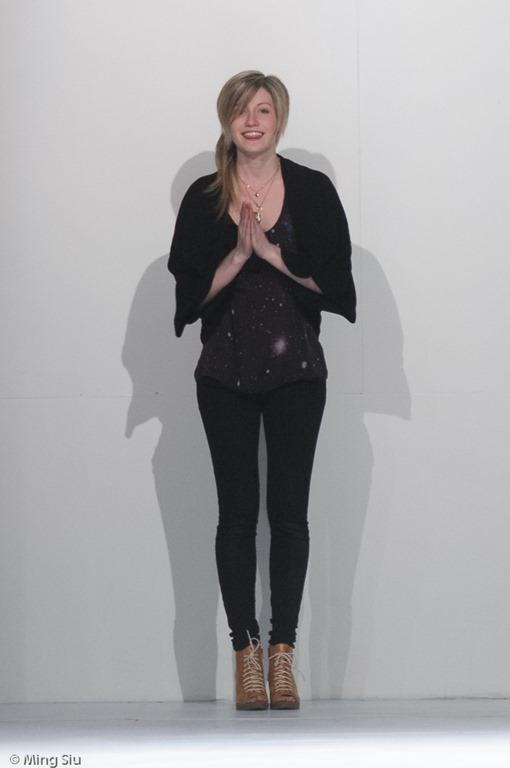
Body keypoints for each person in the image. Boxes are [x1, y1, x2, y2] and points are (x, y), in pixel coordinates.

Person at [168, 71, 356, 710]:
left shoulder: (312, 190)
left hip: (297, 371)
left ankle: (282, 655)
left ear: (280, 119)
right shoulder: (204, 198)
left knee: (291, 515)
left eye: (264, 110)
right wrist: (234, 259)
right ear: (226, 120)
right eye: (242, 111)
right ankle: (245, 656)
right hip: (224, 372)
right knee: (236, 516)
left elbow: (338, 286)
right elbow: (186, 296)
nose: (252, 121)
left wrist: (275, 257)